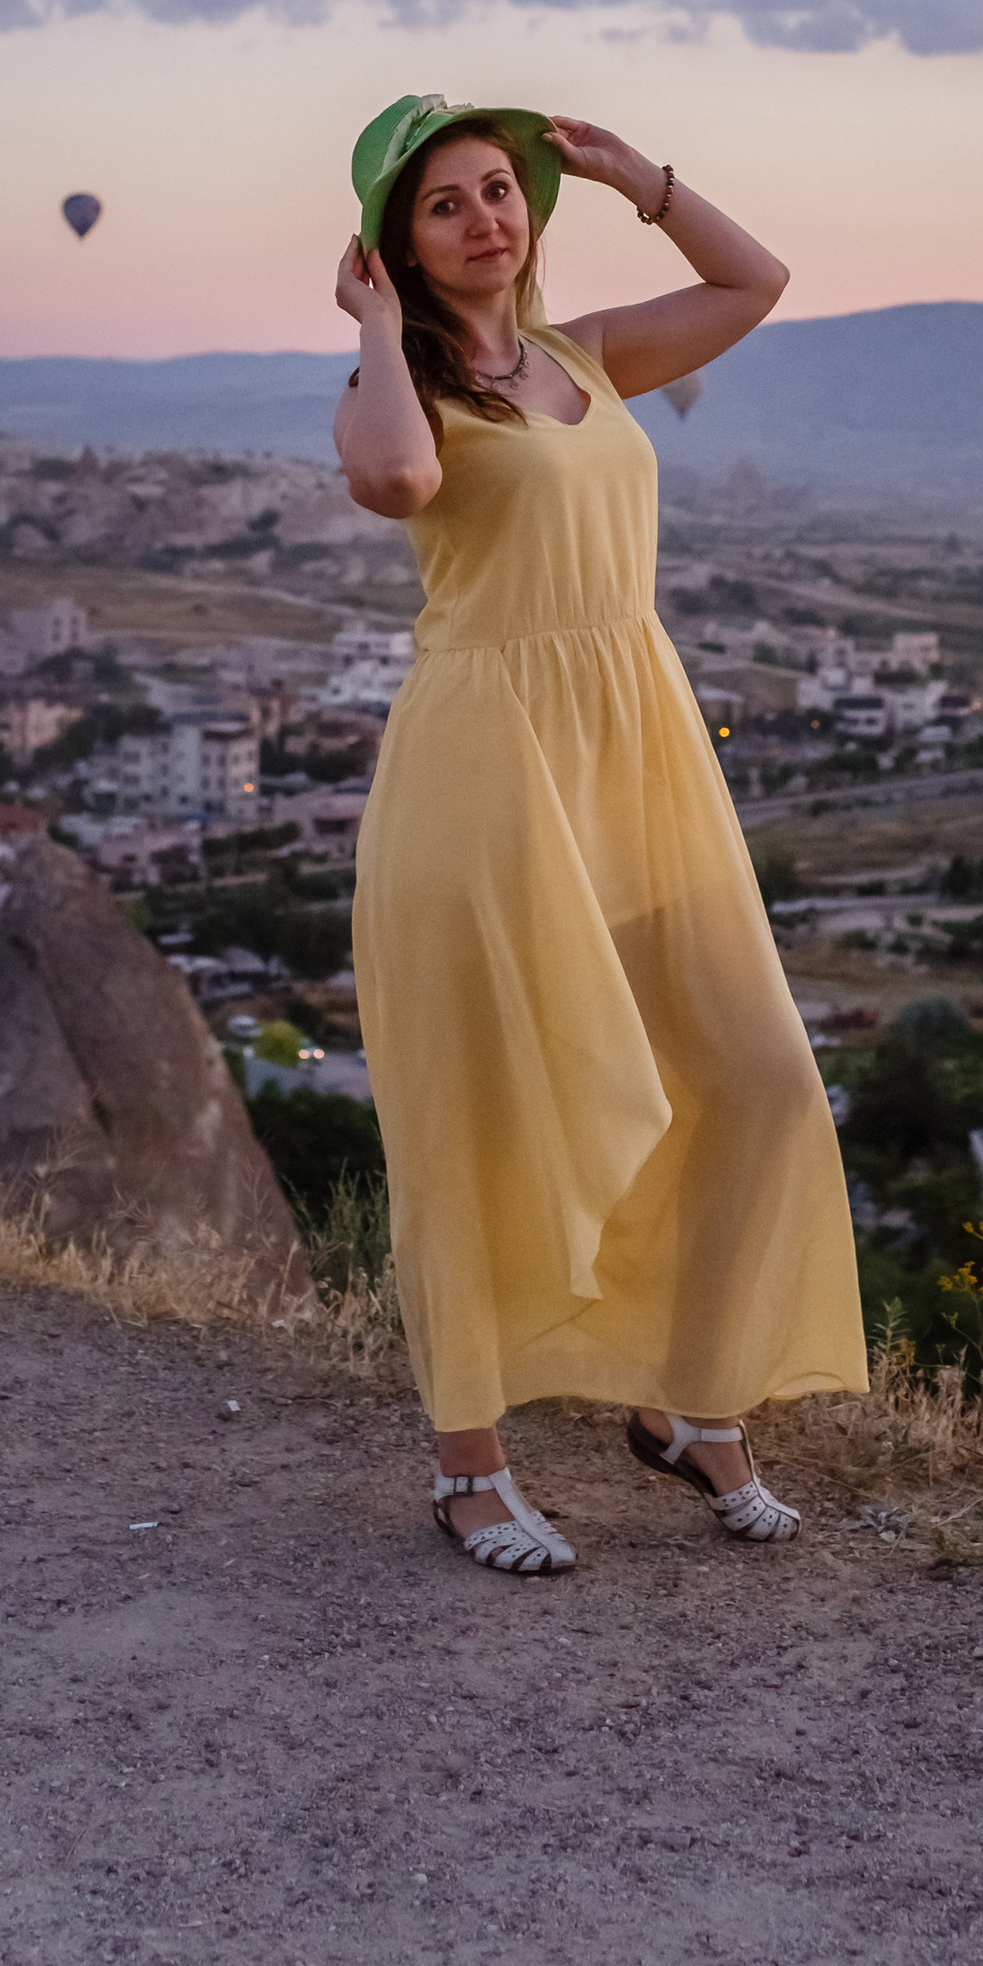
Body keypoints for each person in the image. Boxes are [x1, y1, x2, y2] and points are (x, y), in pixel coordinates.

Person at [333, 93, 866, 1576]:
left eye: (501, 189)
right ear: (395, 242)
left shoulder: (592, 357)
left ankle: (693, 1407)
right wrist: (376, 334)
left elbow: (753, 285)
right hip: (486, 767)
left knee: (752, 1077)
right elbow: (392, 482)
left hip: (635, 742)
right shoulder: (404, 387)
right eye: (444, 203)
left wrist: (641, 177)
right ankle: (469, 1468)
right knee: (479, 1114)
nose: (485, 218)